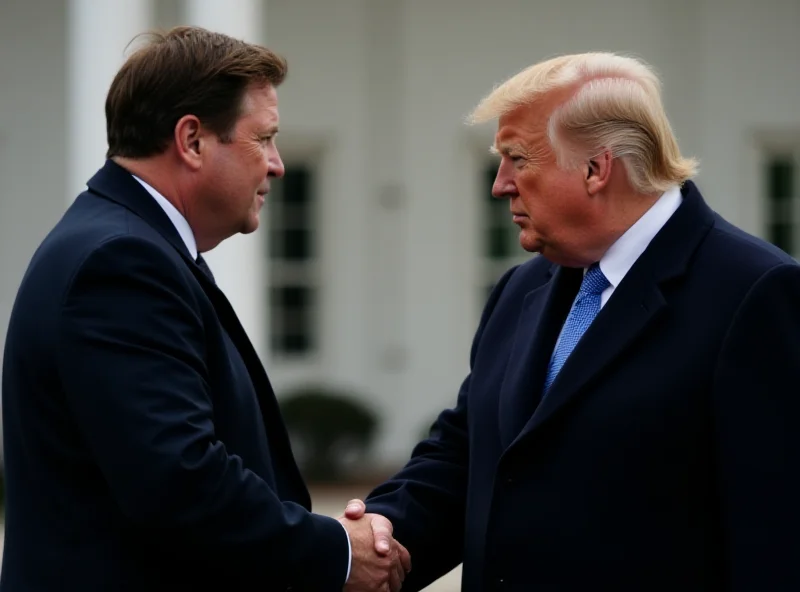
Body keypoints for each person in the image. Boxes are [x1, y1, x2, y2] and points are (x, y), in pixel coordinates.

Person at [343, 52, 800, 591]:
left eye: (517, 157)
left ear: (595, 168)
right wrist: (370, 542)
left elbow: (777, 535)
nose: (500, 184)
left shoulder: (754, 291)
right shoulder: (522, 289)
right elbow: (468, 458)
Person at [0, 26, 409, 592]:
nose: (277, 164)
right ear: (191, 141)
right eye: (262, 139)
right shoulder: (122, 262)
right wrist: (335, 553)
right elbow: (179, 483)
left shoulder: (130, 244)